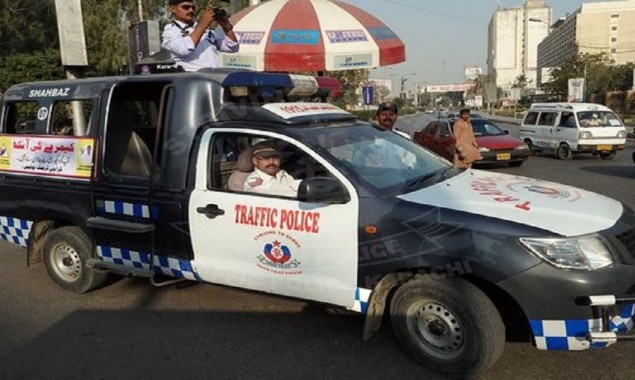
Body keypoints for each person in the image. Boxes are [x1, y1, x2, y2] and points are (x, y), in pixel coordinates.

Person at [162, 0, 240, 72]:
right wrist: (203, 24)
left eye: (193, 8)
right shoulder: (170, 30)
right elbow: (184, 49)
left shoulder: (205, 30)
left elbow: (232, 48)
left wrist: (227, 29)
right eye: (186, 7)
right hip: (190, 80)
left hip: (213, 78)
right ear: (173, 9)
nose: (191, 10)